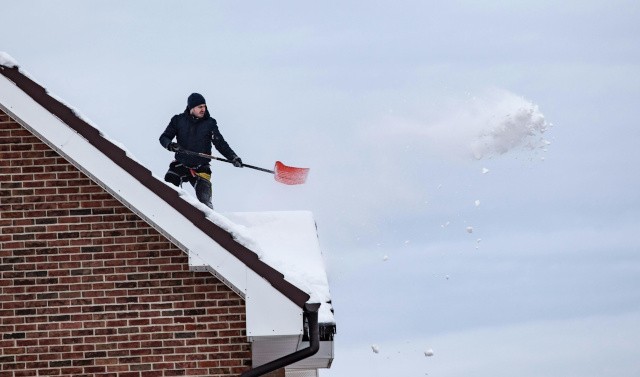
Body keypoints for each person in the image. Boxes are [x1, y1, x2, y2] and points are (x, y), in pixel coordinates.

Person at [159, 93, 243, 209]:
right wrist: (171, 145)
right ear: (191, 108)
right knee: (167, 190)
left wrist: (233, 157)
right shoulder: (178, 120)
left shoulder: (210, 123)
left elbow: (220, 143)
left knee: (205, 204)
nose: (203, 109)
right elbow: (164, 138)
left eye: (204, 106)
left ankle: (210, 222)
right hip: (180, 164)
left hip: (201, 168)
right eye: (200, 107)